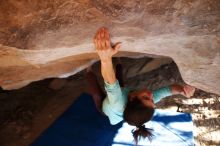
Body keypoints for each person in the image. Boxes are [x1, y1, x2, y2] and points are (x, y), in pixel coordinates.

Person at [85, 27, 195, 145]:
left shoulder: (118, 102)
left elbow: (110, 81)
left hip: (105, 108)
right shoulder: (145, 103)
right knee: (119, 81)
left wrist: (105, 59)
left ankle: (88, 69)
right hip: (122, 98)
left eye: (146, 97)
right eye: (152, 100)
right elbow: (168, 90)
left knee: (97, 91)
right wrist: (182, 90)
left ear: (132, 99)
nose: (151, 95)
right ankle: (118, 61)